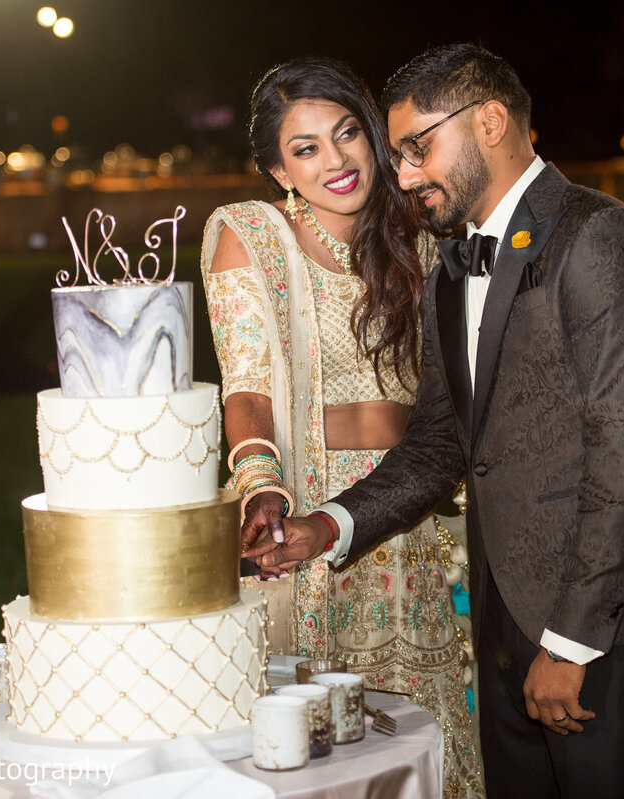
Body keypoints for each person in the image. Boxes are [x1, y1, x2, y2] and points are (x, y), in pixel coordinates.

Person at [245, 44, 624, 799]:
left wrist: (570, 643)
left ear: (490, 120)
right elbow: (439, 445)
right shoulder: (450, 270)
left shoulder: (601, 238)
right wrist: (325, 528)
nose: (403, 175)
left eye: (418, 148)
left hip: (601, 622)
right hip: (504, 618)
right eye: (397, 154)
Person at [200, 57, 483, 799]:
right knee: (321, 758)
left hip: (414, 518)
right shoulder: (251, 239)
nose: (336, 160)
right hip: (310, 524)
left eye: (347, 133)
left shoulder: (422, 240)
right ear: (278, 171)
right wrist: (261, 488)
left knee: (431, 744)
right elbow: (248, 387)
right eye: (306, 149)